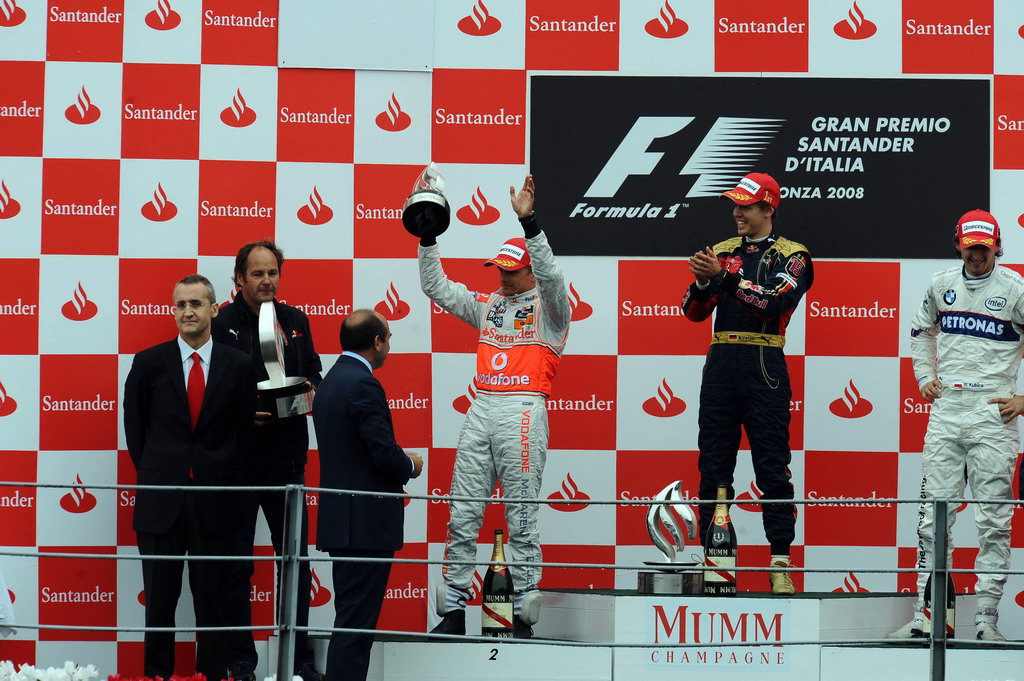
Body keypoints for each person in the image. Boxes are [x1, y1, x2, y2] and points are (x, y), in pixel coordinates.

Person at [419, 175, 570, 637]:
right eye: (499, 268)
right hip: (482, 405)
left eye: (512, 268)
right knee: (463, 509)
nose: (503, 275)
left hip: (524, 409)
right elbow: (437, 289)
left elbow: (552, 274)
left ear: (529, 270)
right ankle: (453, 609)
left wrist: (529, 222)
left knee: (521, 513)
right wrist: (428, 236)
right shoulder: (488, 306)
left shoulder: (552, 310)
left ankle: (521, 613)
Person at [890, 209, 1024, 642]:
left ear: (998, 246)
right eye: (971, 245)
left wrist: (1023, 400)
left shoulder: (1016, 290)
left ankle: (986, 619)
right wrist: (925, 377)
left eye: (985, 246)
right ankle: (928, 616)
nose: (978, 253)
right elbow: (920, 330)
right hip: (947, 408)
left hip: (992, 410)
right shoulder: (940, 284)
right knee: (933, 516)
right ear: (958, 244)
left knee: (993, 520)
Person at [681, 172, 813, 595]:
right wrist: (704, 282)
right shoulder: (719, 252)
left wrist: (724, 280)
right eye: (734, 205)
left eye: (746, 205)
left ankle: (780, 561)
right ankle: (714, 559)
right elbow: (692, 312)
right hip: (720, 361)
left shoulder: (794, 256)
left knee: (772, 465)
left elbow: (772, 303)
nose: (737, 212)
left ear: (768, 209)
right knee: (713, 465)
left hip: (764, 362)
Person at [123, 274, 257, 680]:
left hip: (216, 505)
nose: (187, 311)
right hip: (161, 503)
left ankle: (211, 675)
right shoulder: (148, 363)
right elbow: (136, 432)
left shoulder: (239, 365)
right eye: (180, 304)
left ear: (215, 309)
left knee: (212, 603)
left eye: (196, 303)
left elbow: (245, 437)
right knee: (159, 602)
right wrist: (162, 476)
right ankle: (156, 676)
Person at [212, 240, 324, 681]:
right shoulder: (220, 323)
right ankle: (240, 660)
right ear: (239, 278)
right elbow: (213, 388)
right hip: (237, 462)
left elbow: (313, 370)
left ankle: (298, 658)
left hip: (287, 462)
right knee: (237, 562)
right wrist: (244, 411)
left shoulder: (295, 321)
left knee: (295, 561)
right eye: (257, 274)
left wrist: (311, 390)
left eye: (272, 273)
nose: (266, 281)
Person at [313, 310, 422, 681]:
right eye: (388, 338)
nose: (389, 346)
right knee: (356, 628)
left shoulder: (330, 381)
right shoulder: (363, 383)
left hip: (344, 523)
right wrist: (411, 464)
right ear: (377, 342)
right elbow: (381, 452)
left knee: (350, 620)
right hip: (363, 525)